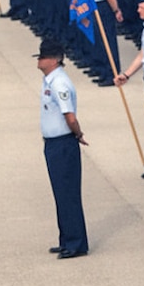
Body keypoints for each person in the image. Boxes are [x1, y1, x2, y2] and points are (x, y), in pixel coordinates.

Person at [36, 39, 88, 258]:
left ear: (55, 60)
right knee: (60, 193)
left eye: (43, 57)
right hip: (53, 143)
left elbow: (70, 116)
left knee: (68, 193)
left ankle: (75, 243)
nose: (39, 60)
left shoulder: (59, 83)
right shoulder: (49, 80)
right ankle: (66, 238)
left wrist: (77, 134)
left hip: (63, 143)